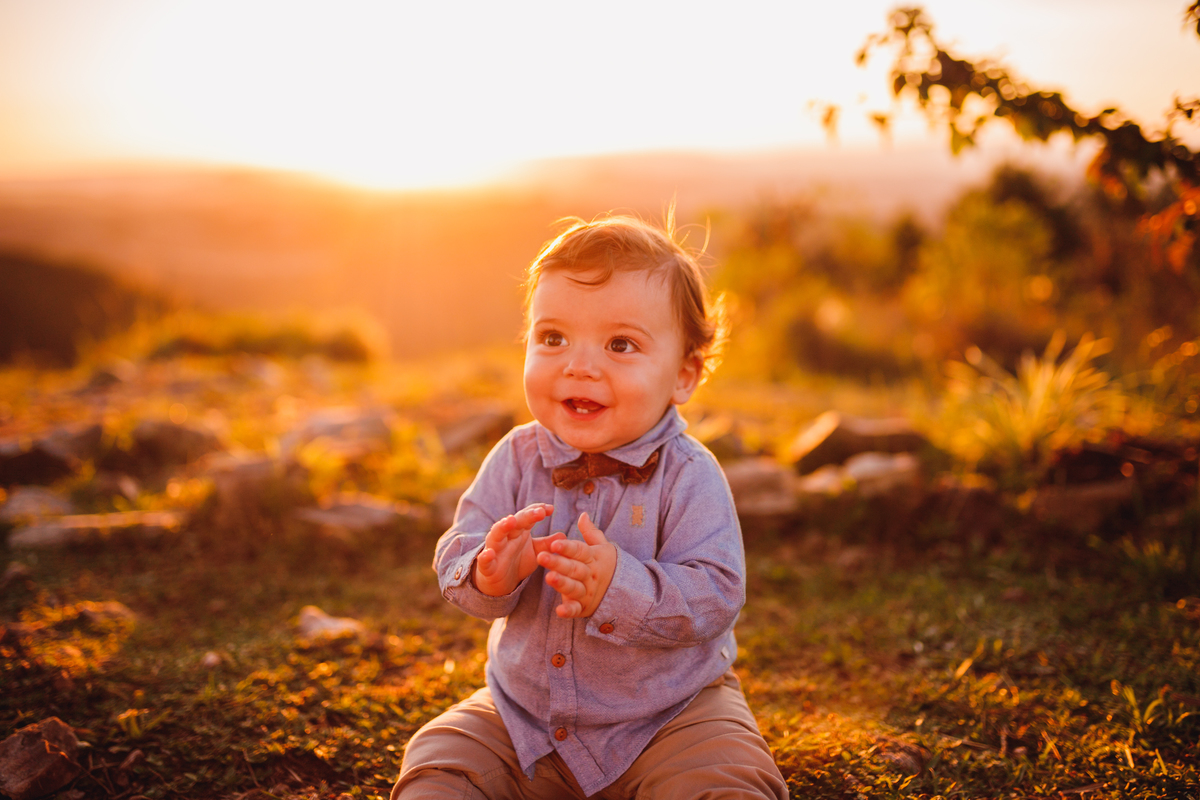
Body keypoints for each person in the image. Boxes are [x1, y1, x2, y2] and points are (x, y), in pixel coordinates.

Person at [392, 214, 788, 799]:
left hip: (673, 717)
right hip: (522, 716)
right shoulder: (515, 457)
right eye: (552, 338)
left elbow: (718, 592)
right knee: (440, 765)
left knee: (726, 781)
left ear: (684, 375)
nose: (579, 365)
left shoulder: (690, 474)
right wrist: (486, 571)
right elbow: (459, 551)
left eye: (620, 344)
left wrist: (620, 588)